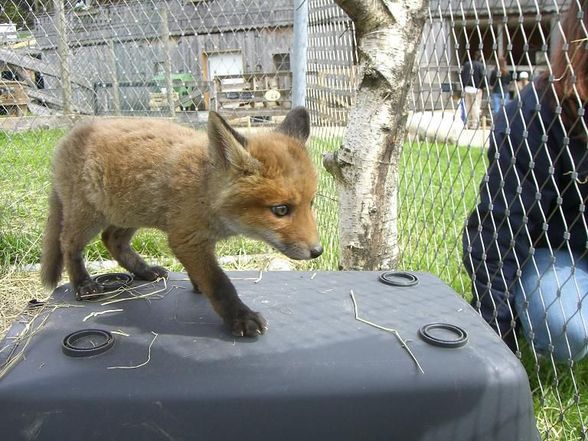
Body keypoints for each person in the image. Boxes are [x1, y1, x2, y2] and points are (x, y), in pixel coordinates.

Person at [463, 0, 588, 362]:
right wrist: (496, 339)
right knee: (565, 325)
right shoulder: (537, 112)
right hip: (560, 250)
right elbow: (500, 227)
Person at [460, 51, 486, 129]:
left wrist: (463, 85)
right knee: (475, 106)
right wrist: (484, 85)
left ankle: (466, 123)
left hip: (467, 87)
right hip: (476, 88)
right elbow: (483, 76)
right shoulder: (480, 66)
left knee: (467, 106)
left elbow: (462, 75)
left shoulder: (467, 64)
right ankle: (475, 124)